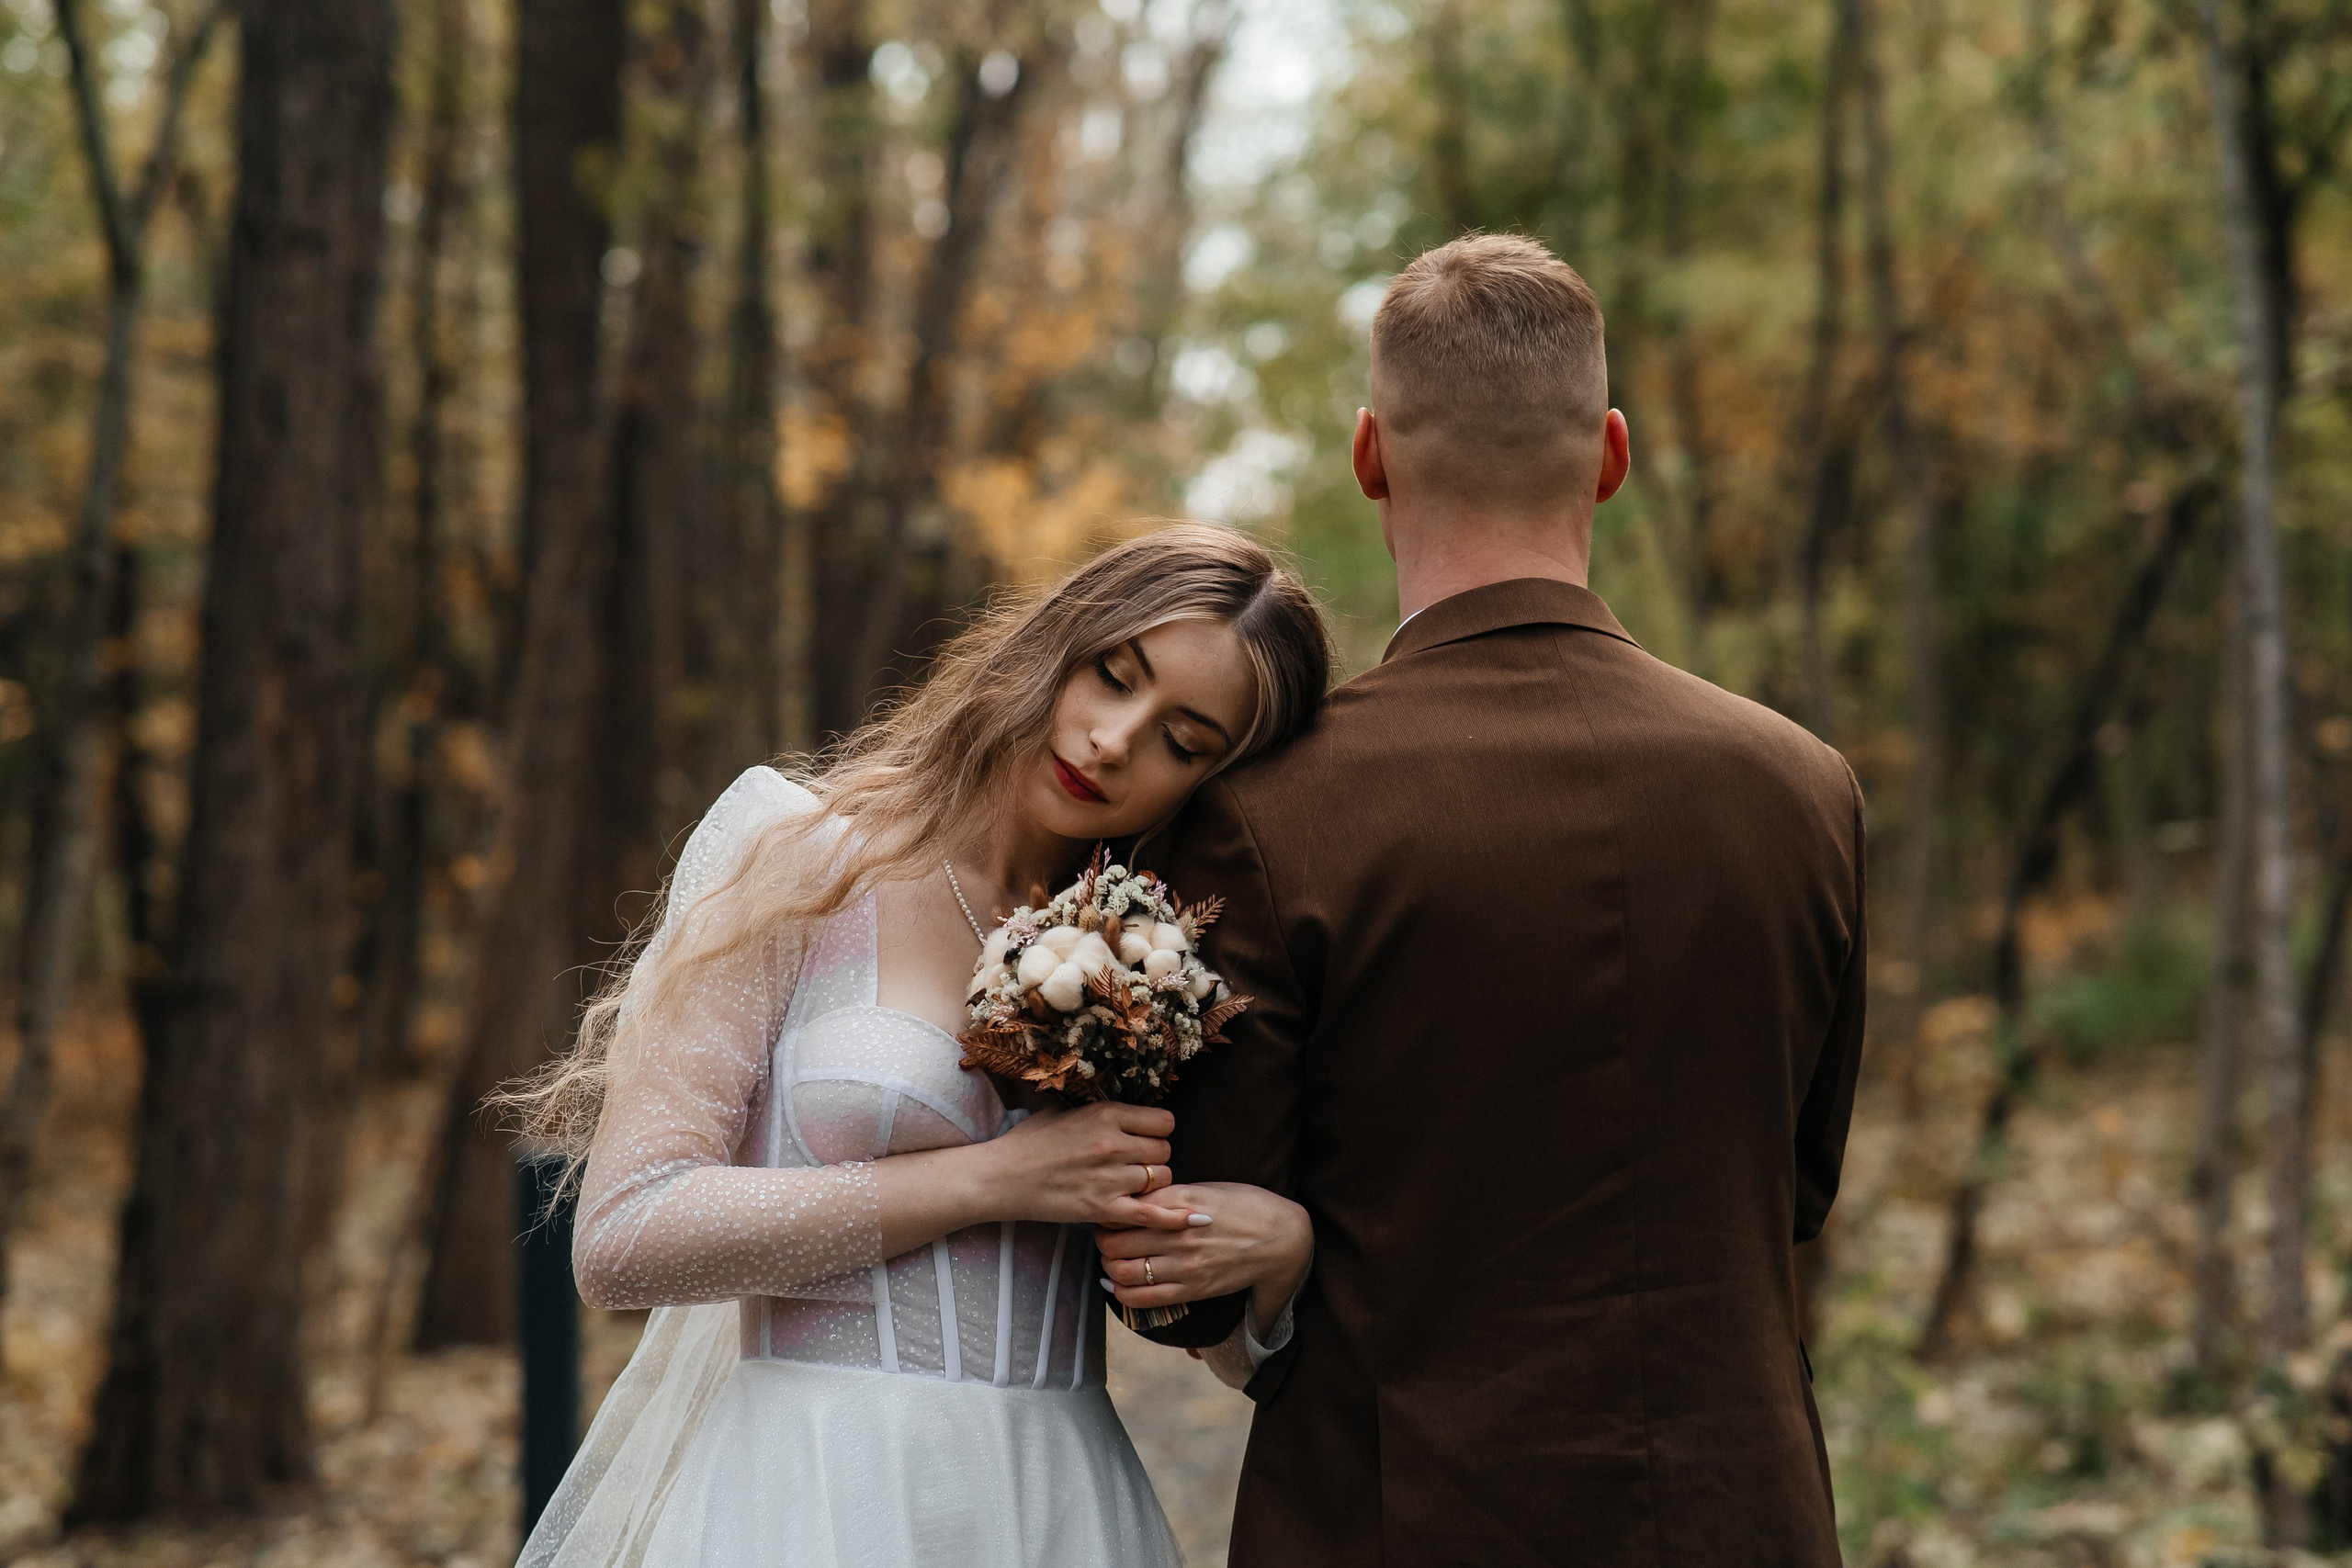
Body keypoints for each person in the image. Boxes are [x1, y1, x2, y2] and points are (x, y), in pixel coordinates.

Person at [1101, 234, 1868, 1563]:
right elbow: (1795, 1191)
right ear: (1612, 456)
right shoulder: (1806, 789)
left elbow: (1186, 1275)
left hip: (1392, 1519)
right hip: (1744, 1519)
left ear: (1371, 455)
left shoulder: (1266, 814)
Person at [504, 524, 1329, 1568]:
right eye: (1113, 676)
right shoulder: (797, 857)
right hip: (812, 1493)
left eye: (1183, 740)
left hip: (1061, 1507)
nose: (1115, 739)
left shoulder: (1163, 966)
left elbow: (1215, 1347)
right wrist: (995, 1178)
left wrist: (1274, 1260)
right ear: (1053, 646)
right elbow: (623, 1238)